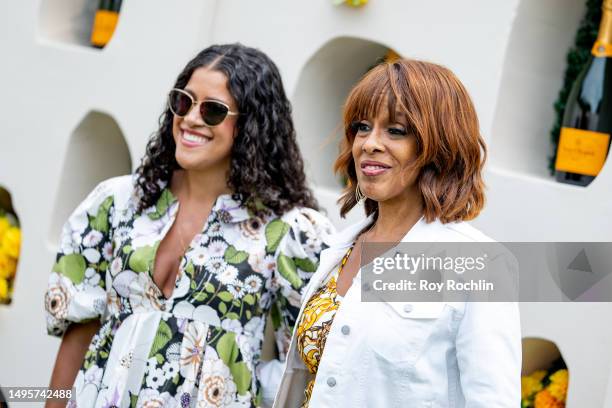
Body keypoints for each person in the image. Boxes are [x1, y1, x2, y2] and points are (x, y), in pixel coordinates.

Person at [44, 43, 335, 408]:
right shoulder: (117, 203)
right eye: (184, 102)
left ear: (252, 125)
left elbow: (311, 361)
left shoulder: (287, 233)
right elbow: (79, 336)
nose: (192, 118)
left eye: (212, 110)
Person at [273, 59, 521, 407]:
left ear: (439, 145)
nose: (369, 143)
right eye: (362, 127)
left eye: (396, 130)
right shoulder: (338, 248)